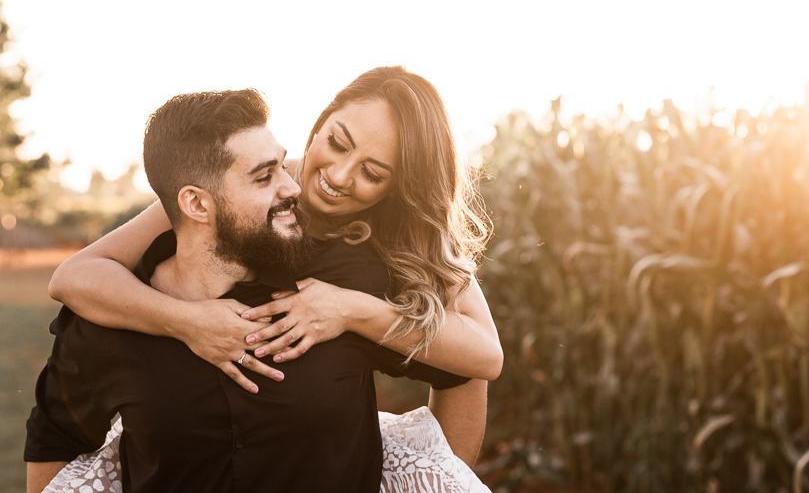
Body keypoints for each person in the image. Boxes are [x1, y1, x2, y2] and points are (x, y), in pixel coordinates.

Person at [26, 87, 488, 493]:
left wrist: (352, 311)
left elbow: (473, 363)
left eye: (373, 172)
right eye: (337, 143)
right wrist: (186, 321)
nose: (335, 178)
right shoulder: (125, 300)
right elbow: (73, 280)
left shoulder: (358, 279)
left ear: (395, 187)